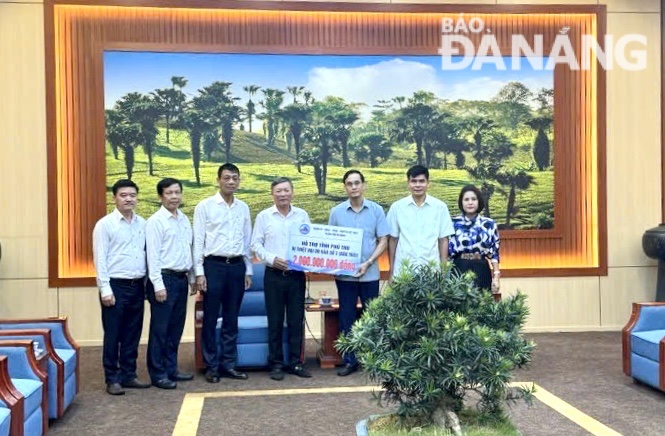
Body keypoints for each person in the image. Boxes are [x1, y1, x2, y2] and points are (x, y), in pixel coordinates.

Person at [193, 163, 253, 384]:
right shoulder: (205, 206)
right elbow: (198, 241)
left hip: (236, 267)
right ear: (218, 180)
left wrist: (247, 270)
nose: (230, 182)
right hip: (213, 267)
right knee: (210, 318)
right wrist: (199, 272)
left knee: (231, 317)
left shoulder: (243, 208)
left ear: (239, 181)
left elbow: (246, 242)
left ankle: (229, 364)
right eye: (226, 178)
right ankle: (212, 365)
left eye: (235, 178)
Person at [93, 179, 151, 396]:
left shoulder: (143, 224)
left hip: (137, 285)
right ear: (114, 198)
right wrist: (104, 289)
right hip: (115, 286)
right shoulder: (105, 225)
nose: (129, 199)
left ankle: (129, 374)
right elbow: (100, 259)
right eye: (123, 195)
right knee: (113, 334)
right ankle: (112, 378)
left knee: (132, 333)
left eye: (132, 195)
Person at [328, 170, 389, 376]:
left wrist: (369, 262)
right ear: (344, 187)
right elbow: (331, 242)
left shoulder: (376, 210)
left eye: (357, 183)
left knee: (372, 316)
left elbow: (383, 240)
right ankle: (350, 360)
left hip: (370, 273)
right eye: (349, 184)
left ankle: (373, 359)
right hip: (345, 276)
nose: (353, 187)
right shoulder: (336, 212)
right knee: (347, 317)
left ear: (363, 185)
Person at [251, 177, 312, 381]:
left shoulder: (302, 215)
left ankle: (295, 363)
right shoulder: (264, 216)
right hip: (274, 276)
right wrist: (272, 259)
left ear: (292, 193)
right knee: (275, 321)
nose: (283, 194)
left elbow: (311, 243)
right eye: (278, 191)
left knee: (296, 321)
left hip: (296, 276)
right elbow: (255, 245)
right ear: (272, 194)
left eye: (286, 190)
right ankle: (275, 363)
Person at [145, 178, 195, 389]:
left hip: (181, 279)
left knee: (175, 328)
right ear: (160, 196)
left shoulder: (183, 218)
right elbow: (153, 256)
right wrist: (158, 284)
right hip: (163, 279)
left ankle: (171, 368)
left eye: (177, 192)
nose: (174, 196)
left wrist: (192, 277)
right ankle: (158, 373)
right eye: (169, 193)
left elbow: (188, 250)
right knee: (160, 330)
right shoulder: (156, 221)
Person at [386, 165, 454, 277]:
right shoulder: (397, 207)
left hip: (432, 271)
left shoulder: (440, 207)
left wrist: (443, 272)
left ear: (428, 183)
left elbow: (443, 240)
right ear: (408, 183)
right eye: (414, 181)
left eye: (422, 181)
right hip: (403, 272)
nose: (417, 185)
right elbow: (393, 240)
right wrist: (392, 271)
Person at [448, 185, 501, 294]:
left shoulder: (489, 224)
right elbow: (447, 254)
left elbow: (494, 253)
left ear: (479, 201)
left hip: (481, 268)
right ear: (461, 202)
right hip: (459, 267)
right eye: (466, 199)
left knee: (482, 306)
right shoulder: (453, 223)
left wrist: (496, 276)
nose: (470, 202)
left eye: (473, 199)